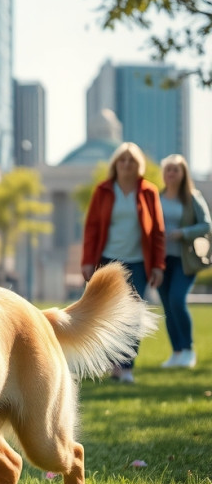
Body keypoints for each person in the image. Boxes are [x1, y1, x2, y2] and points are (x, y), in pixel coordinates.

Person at [81, 141, 166, 384]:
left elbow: (158, 232)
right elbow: (92, 229)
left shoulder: (148, 192)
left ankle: (127, 367)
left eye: (131, 160)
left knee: (134, 314)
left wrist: (158, 265)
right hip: (108, 259)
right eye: (122, 159)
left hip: (139, 262)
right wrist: (88, 261)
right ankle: (112, 364)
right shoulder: (103, 190)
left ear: (138, 165)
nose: (127, 164)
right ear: (116, 163)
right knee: (108, 312)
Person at [157, 154, 211, 369]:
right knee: (167, 306)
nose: (171, 173)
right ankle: (176, 352)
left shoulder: (192, 197)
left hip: (184, 259)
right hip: (160, 260)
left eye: (175, 170)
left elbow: (206, 225)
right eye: (168, 169)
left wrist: (184, 232)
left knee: (177, 299)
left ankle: (188, 349)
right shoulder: (156, 197)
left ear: (183, 173)